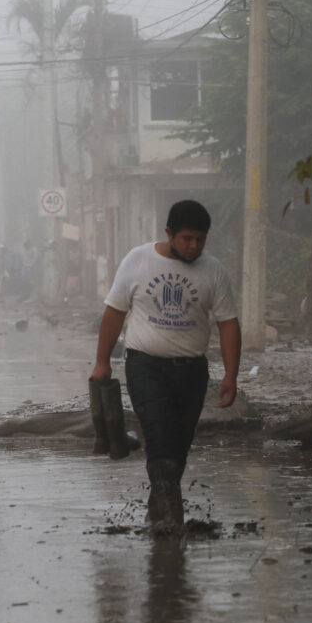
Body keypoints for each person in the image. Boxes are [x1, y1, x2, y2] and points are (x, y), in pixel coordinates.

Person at [90, 200, 241, 535]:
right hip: (145, 367)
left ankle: (158, 509)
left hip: (193, 372)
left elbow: (228, 323)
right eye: (187, 238)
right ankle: (171, 523)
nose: (194, 246)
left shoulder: (213, 270)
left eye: (201, 239)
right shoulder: (138, 260)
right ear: (169, 233)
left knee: (179, 445)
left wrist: (231, 375)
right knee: (159, 439)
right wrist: (102, 363)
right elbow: (114, 313)